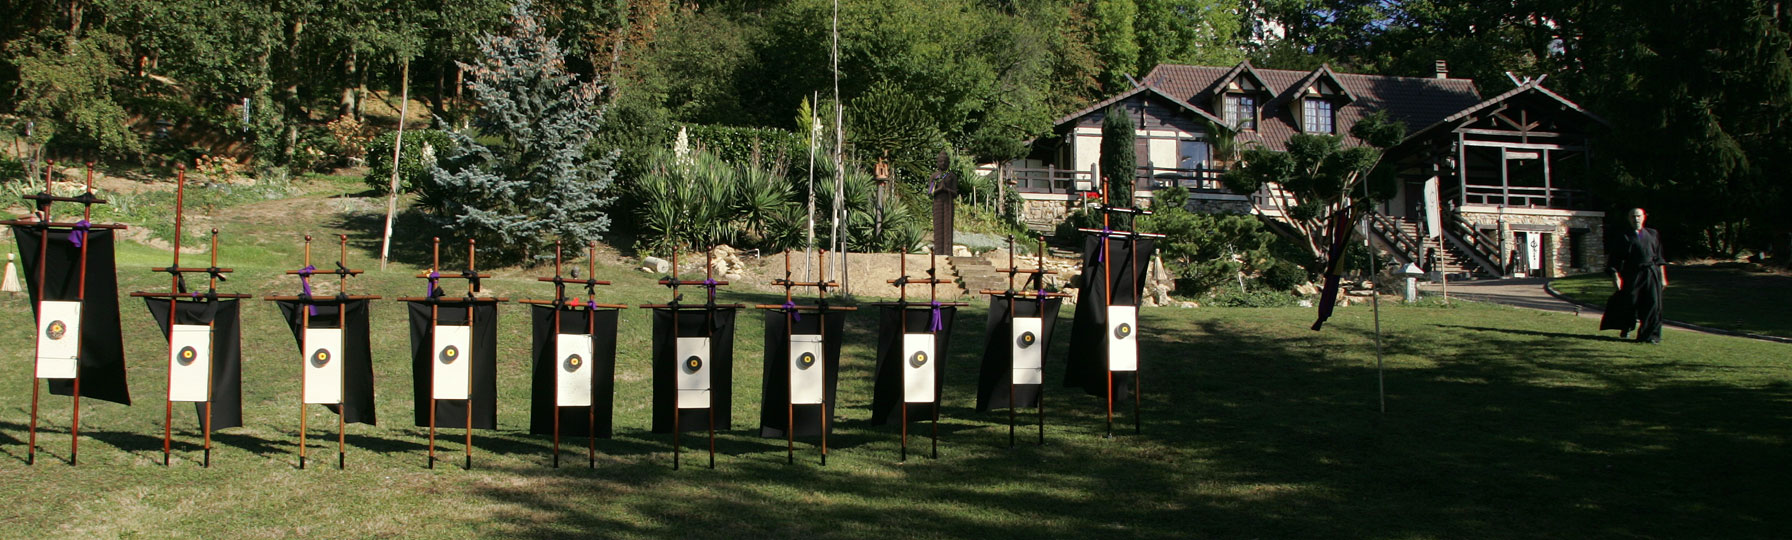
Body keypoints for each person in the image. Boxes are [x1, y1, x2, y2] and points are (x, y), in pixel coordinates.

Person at [1600, 208, 1668, 343]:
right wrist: (1615, 277)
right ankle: (1626, 326)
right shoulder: (1624, 236)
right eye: (1633, 217)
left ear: (1644, 217)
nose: (1636, 219)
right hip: (1632, 273)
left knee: (1653, 304)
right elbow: (1615, 259)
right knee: (1630, 301)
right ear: (1629, 219)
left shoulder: (1653, 234)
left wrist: (1663, 278)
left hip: (1651, 272)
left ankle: (1650, 336)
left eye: (1638, 216)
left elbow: (1659, 258)